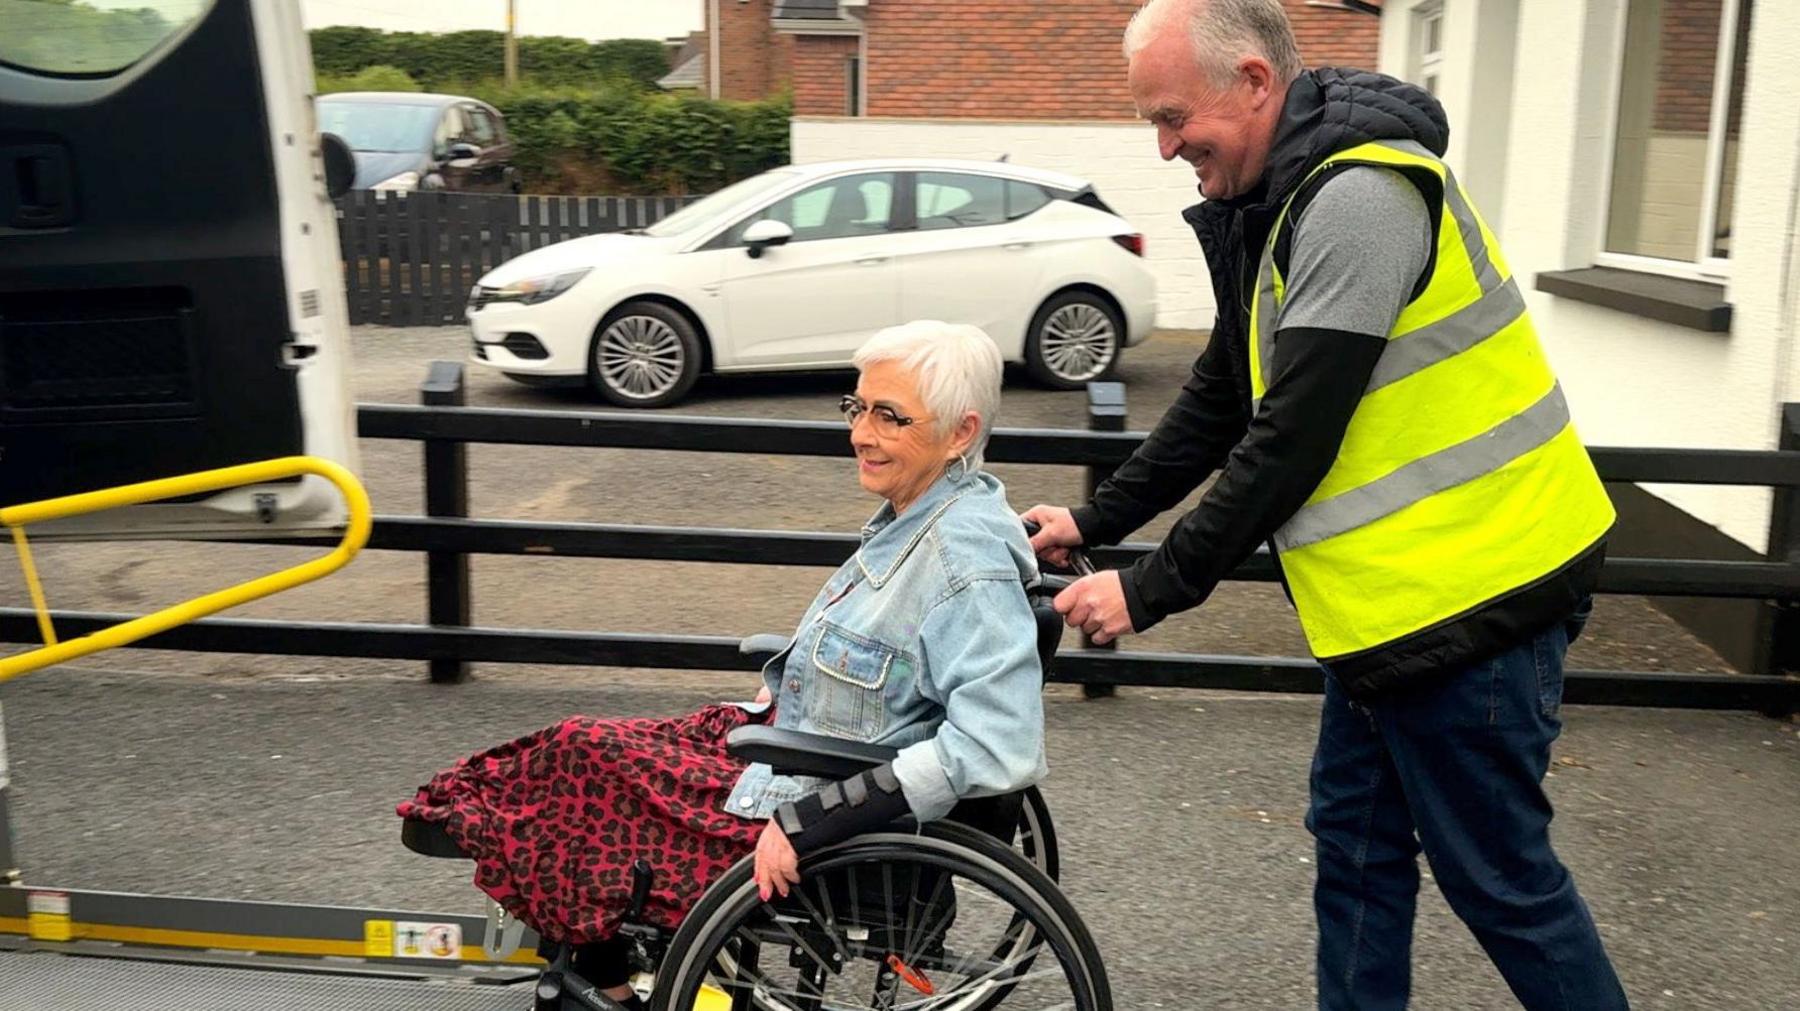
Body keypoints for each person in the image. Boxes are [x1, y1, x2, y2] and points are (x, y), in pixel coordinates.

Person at [1021, 1, 1628, 1008]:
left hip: (1479, 600)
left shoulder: (1360, 201)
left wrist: (1151, 589)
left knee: (1502, 884)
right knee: (1354, 854)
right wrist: (1094, 523)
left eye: (1174, 119)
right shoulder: (1284, 200)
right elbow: (1225, 388)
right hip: (1391, 617)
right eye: (1153, 126)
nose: (1168, 148)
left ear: (1255, 83)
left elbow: (1293, 436)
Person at [399, 321, 1045, 1009]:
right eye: (858, 407)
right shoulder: (930, 514)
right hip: (795, 755)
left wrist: (814, 821)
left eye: (891, 415)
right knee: (571, 751)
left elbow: (995, 744)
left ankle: (603, 981)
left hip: (820, 811)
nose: (862, 432)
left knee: (579, 763)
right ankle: (582, 944)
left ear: (959, 431)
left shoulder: (961, 560)